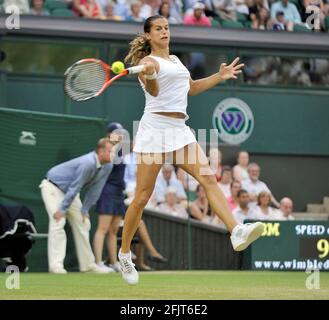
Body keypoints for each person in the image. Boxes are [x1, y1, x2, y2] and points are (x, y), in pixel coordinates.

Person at [118, 15, 264, 285]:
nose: (164, 32)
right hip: (154, 129)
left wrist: (219, 76)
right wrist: (149, 74)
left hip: (180, 129)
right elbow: (154, 88)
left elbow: (191, 88)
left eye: (166, 28)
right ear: (148, 35)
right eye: (158, 29)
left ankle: (236, 231)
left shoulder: (175, 61)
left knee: (208, 177)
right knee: (140, 199)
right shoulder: (146, 62)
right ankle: (125, 254)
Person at [39, 138, 116, 274]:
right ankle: (55, 266)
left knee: (83, 223)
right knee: (58, 222)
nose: (113, 155)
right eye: (110, 152)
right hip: (53, 187)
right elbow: (76, 186)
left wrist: (85, 209)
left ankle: (88, 265)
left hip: (70, 192)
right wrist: (62, 209)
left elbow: (95, 190)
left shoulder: (108, 166)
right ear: (100, 151)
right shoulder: (88, 162)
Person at [93, 122, 127, 273]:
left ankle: (114, 262)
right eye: (116, 132)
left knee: (113, 230)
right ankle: (98, 262)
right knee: (103, 228)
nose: (119, 135)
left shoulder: (122, 150)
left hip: (119, 191)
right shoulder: (107, 151)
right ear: (109, 135)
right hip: (108, 190)